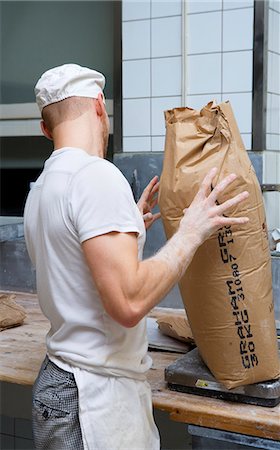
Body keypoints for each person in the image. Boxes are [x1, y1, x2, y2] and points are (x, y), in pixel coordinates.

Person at [23, 63, 249, 450]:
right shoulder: (95, 175)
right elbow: (127, 304)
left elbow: (74, 264)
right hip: (91, 399)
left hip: (61, 382)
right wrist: (191, 231)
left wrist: (127, 233)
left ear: (46, 129)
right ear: (99, 106)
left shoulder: (43, 186)